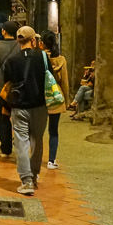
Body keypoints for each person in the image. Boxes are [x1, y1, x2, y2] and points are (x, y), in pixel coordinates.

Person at [1, 26, 48, 195]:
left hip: (19, 106)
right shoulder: (42, 57)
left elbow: (7, 84)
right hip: (40, 105)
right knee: (37, 140)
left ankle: (26, 180)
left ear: (18, 40)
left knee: (21, 142)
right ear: (33, 39)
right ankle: (34, 176)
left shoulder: (12, 60)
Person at [0, 21, 21, 159]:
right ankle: (21, 146)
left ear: (4, 31)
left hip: (2, 89)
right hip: (18, 87)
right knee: (19, 119)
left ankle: (5, 149)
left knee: (3, 119)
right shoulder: (20, 46)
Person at [39, 30, 69, 170]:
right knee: (54, 130)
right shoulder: (61, 60)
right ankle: (51, 160)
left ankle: (36, 157)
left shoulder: (39, 57)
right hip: (56, 97)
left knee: (38, 131)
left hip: (41, 97)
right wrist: (66, 100)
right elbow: (65, 83)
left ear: (43, 43)